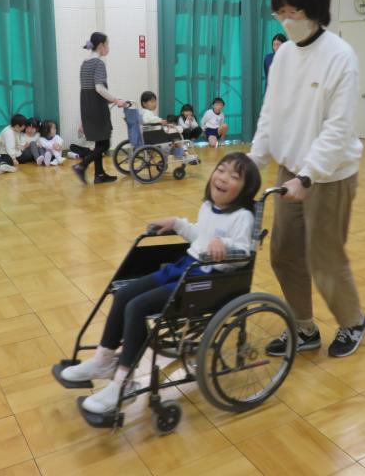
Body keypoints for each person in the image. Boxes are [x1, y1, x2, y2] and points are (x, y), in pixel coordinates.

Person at [60, 152, 260, 413]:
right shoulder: (208, 207)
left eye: (234, 176)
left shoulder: (243, 217)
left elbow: (244, 252)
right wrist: (177, 223)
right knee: (124, 294)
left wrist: (224, 245)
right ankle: (104, 360)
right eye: (221, 170)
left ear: (245, 189)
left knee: (137, 307)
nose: (223, 178)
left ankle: (124, 383)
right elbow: (200, 237)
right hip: (186, 267)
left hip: (207, 280)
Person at [250, 0, 365, 358]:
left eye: (293, 12)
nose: (286, 20)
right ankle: (303, 328)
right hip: (290, 170)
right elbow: (270, 112)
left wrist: (308, 175)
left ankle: (353, 322)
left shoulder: (340, 56)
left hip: (329, 175)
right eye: (279, 13)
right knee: (283, 253)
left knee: (324, 257)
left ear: (314, 10)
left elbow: (338, 128)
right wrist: (253, 161)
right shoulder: (283, 55)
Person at [73, 32, 127, 185]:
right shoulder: (98, 63)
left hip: (87, 104)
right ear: (101, 46)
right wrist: (116, 100)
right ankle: (81, 166)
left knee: (99, 141)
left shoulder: (85, 63)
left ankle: (99, 175)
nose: (108, 48)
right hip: (97, 106)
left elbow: (88, 89)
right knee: (105, 144)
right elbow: (99, 88)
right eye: (107, 44)